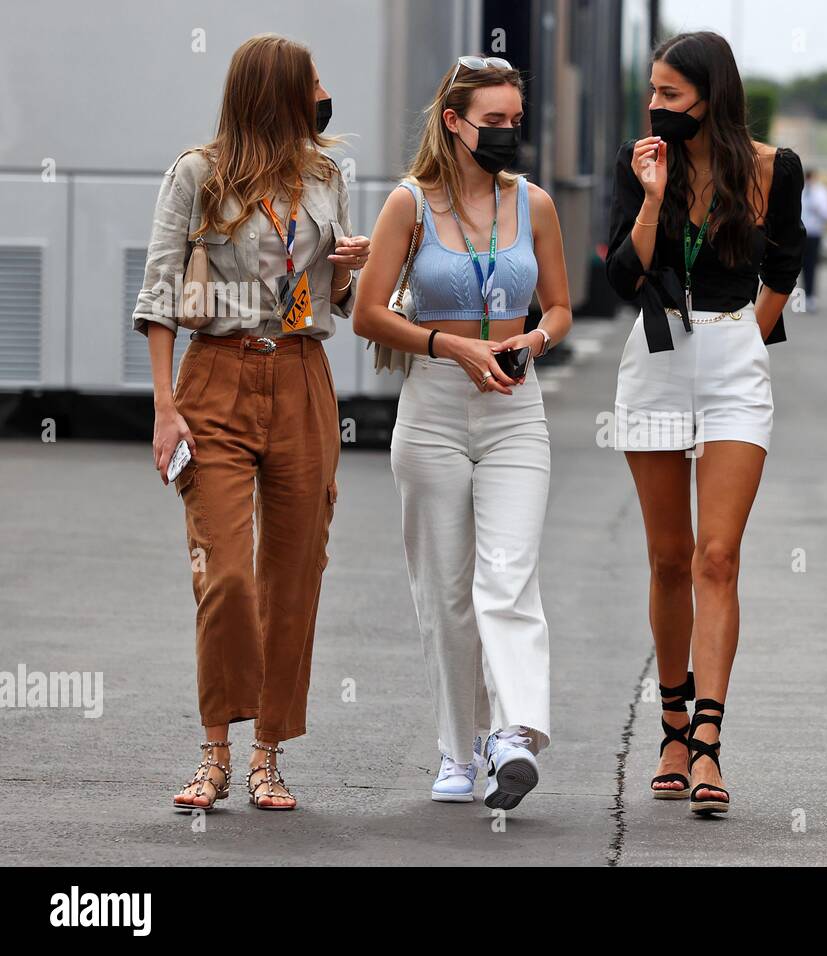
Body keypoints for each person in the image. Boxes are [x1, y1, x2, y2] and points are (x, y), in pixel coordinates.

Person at [133, 34, 371, 811]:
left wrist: (349, 269)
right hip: (216, 376)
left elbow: (330, 295)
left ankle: (267, 754)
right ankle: (216, 750)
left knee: (296, 572)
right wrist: (166, 407)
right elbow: (161, 292)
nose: (324, 94)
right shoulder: (197, 174)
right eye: (313, 82)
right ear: (274, 93)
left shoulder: (329, 175)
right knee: (226, 573)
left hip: (303, 372)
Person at [353, 56, 572, 809]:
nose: (508, 134)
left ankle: (514, 732)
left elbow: (561, 309)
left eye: (516, 122)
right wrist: (451, 346)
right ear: (454, 122)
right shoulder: (409, 204)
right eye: (494, 123)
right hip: (434, 405)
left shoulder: (534, 204)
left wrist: (532, 344)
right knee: (445, 590)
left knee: (507, 575)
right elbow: (368, 312)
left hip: (515, 404)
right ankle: (458, 748)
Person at [603, 30, 804, 816]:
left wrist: (746, 336)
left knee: (717, 558)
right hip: (653, 358)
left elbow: (784, 262)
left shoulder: (770, 168)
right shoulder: (641, 160)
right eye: (652, 93)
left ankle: (711, 747)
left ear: (711, 97)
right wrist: (652, 197)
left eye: (671, 95)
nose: (657, 107)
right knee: (668, 559)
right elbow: (623, 275)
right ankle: (672, 727)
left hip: (731, 357)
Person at [799, 167, 827, 312]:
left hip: (814, 233)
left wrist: (818, 208)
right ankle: (801, 297)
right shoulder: (798, 190)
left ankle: (811, 296)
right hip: (799, 233)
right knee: (798, 267)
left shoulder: (822, 192)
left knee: (811, 266)